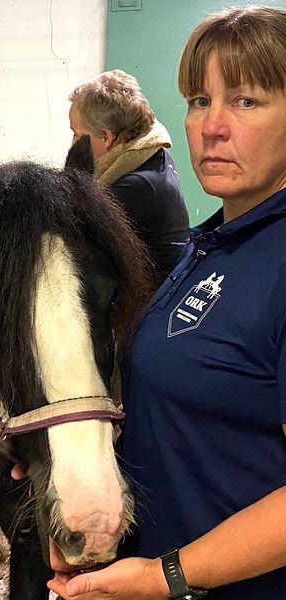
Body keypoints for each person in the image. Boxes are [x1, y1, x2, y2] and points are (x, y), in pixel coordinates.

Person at [47, 5, 286, 599]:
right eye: (199, 101)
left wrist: (163, 577)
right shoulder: (216, 241)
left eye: (247, 101)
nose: (212, 126)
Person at [69, 69, 189, 284]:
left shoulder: (133, 188)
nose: (73, 144)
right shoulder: (152, 155)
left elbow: (72, 246)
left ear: (106, 137)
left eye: (77, 134)